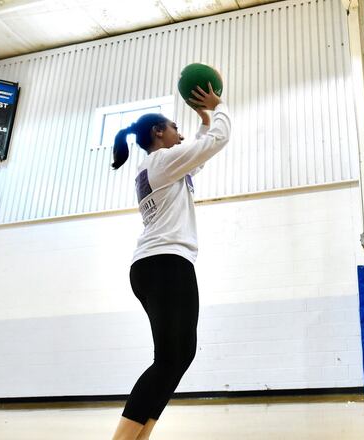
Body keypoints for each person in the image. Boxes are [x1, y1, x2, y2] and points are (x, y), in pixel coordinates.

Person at [110, 84, 231, 440]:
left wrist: (203, 122)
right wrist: (219, 107)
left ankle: (140, 433)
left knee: (180, 355)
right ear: (157, 132)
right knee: (168, 359)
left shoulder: (158, 166)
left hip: (156, 265)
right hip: (164, 263)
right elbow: (217, 142)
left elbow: (200, 154)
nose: (180, 133)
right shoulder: (162, 162)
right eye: (175, 127)